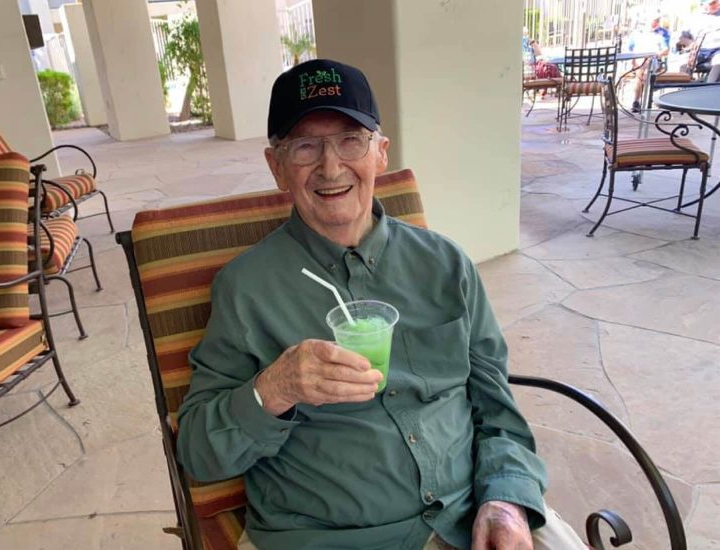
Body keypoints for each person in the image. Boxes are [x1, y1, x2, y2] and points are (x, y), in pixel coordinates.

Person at [176, 58, 588, 550]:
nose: (331, 167)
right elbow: (199, 453)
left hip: (469, 514)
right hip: (327, 537)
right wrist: (277, 386)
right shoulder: (246, 289)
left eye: (351, 140)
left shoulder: (446, 265)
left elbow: (497, 408)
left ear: (380, 154)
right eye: (305, 146)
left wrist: (506, 500)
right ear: (277, 167)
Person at [628, 14, 670, 112]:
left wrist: (654, 55)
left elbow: (666, 50)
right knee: (641, 69)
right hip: (638, 60)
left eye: (657, 20)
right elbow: (630, 49)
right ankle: (637, 100)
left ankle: (637, 100)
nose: (655, 22)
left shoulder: (663, 33)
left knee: (644, 69)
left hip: (654, 60)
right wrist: (633, 60)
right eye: (653, 20)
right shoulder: (637, 32)